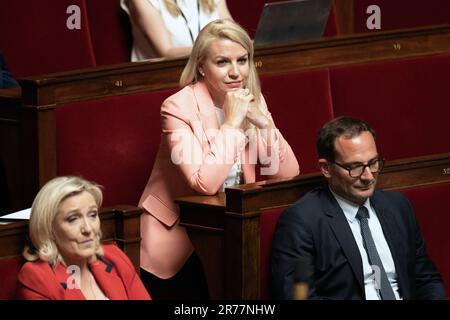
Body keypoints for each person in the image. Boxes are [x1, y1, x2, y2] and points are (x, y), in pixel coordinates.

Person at [138, 18, 299, 299]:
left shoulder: (252, 99)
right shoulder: (177, 107)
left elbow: (286, 175)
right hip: (175, 236)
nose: (236, 72)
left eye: (242, 60)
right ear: (201, 65)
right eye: (222, 62)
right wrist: (232, 123)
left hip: (232, 227)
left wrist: (265, 126)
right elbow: (204, 183)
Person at [271, 116, 446, 300]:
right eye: (354, 167)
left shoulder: (398, 207)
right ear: (326, 168)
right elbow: (299, 297)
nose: (368, 176)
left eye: (373, 163)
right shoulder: (302, 221)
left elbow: (427, 279)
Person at [17, 176, 151, 300]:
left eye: (92, 215)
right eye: (73, 219)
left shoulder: (115, 257)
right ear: (49, 229)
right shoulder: (37, 278)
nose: (88, 229)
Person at [121, 0, 233, 60]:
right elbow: (166, 52)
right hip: (163, 81)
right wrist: (213, 48)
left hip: (212, 74)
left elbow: (234, 35)